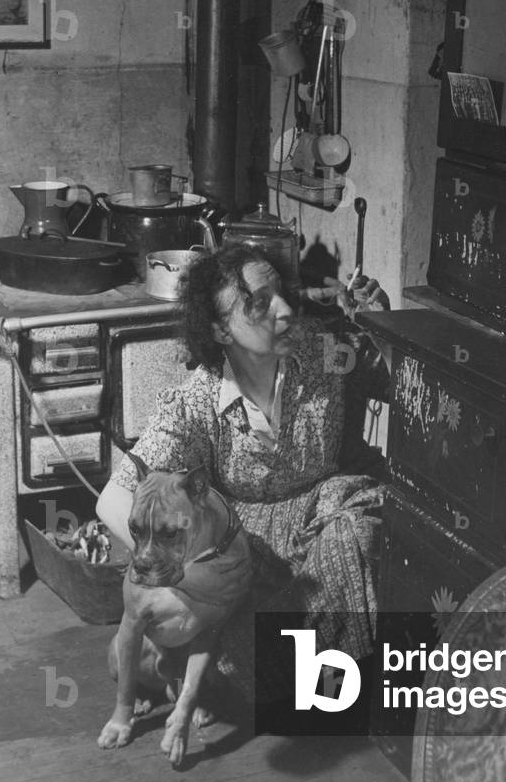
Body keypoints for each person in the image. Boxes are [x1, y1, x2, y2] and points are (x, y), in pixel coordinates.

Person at [96, 242, 392, 703]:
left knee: (353, 523)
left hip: (318, 523)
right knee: (148, 663)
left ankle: (322, 689)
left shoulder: (324, 352)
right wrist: (185, 569)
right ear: (220, 330)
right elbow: (112, 499)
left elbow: (405, 386)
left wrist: (386, 328)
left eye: (281, 294)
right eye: (259, 304)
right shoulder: (195, 404)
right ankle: (279, 675)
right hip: (244, 551)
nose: (284, 311)